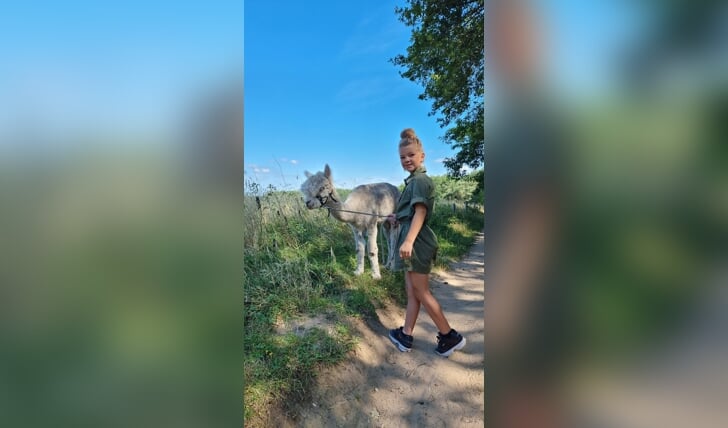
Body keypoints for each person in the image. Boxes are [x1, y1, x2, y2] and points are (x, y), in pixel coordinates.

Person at [387, 128, 466, 357]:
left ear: (422, 156)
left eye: (411, 155)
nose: (406, 160)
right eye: (402, 157)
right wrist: (398, 217)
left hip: (417, 243)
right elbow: (411, 213)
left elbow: (420, 212)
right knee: (412, 292)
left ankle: (449, 336)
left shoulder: (420, 181)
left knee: (421, 292)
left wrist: (409, 240)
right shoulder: (413, 182)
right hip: (413, 241)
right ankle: (406, 335)